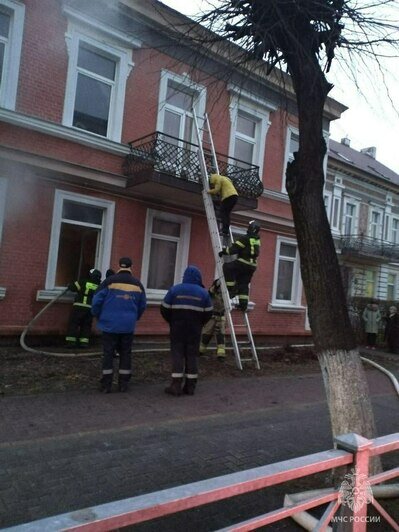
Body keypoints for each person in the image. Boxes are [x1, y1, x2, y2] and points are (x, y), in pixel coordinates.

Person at [91, 257, 146, 393]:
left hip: (109, 325)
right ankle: (123, 384)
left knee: (108, 353)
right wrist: (134, 318)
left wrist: (98, 316)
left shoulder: (108, 282)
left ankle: (106, 384)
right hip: (128, 326)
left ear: (119, 266)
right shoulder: (137, 285)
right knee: (126, 353)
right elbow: (142, 305)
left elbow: (96, 302)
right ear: (130, 266)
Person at [160, 265, 213, 396]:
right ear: (198, 278)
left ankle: (176, 385)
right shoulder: (204, 293)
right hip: (194, 330)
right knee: (192, 356)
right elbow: (209, 313)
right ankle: (190, 387)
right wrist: (200, 323)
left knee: (177, 354)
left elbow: (164, 308)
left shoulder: (175, 290)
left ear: (185, 277)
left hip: (177, 328)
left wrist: (172, 321)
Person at [219, 219, 261, 312]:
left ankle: (232, 289)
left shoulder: (245, 238)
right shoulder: (257, 240)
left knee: (227, 267)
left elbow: (233, 250)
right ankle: (243, 305)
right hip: (252, 265)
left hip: (243, 262)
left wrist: (223, 251)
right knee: (244, 283)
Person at [65, 268, 102, 349]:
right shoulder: (99, 286)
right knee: (86, 325)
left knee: (74, 324)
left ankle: (71, 342)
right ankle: (84, 343)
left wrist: (69, 284)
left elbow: (72, 287)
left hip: (79, 306)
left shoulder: (83, 282)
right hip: (90, 309)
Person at [200, 279, 226, 360]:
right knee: (206, 334)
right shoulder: (211, 293)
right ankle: (200, 351)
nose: (221, 289)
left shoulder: (225, 294)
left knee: (220, 336)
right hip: (211, 317)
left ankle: (221, 355)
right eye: (219, 287)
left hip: (221, 318)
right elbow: (209, 294)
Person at [208, 173, 238, 238]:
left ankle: (224, 230)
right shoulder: (225, 178)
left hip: (228, 196)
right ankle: (226, 230)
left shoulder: (218, 179)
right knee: (227, 213)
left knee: (223, 212)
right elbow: (223, 190)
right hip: (234, 196)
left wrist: (208, 191)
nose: (213, 185)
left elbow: (216, 190)